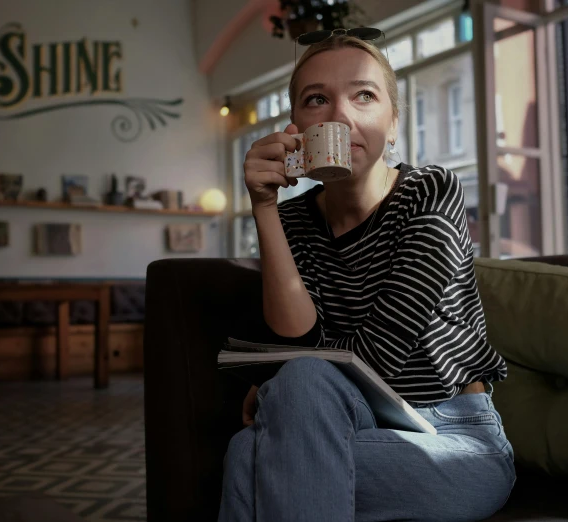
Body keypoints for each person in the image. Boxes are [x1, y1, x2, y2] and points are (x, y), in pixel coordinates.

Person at [219, 33, 515, 522]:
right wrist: (264, 207)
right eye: (317, 99)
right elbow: (300, 337)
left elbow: (380, 355)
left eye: (364, 96)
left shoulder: (430, 191)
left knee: (249, 453)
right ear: (297, 127)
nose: (338, 116)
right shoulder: (293, 221)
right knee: (300, 382)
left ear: (392, 122)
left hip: (456, 438)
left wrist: (278, 383)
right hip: (341, 418)